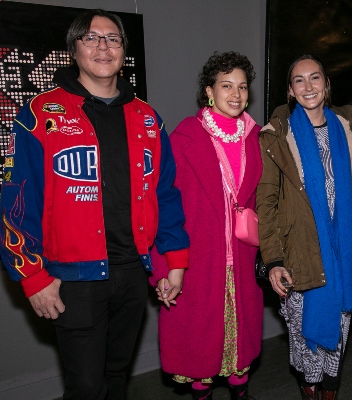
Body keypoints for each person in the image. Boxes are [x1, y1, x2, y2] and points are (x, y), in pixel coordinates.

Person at [0, 9, 190, 400]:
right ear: (74, 49)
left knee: (117, 376)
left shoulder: (148, 118)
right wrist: (32, 276)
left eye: (112, 39)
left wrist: (175, 262)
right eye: (91, 38)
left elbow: (165, 194)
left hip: (132, 273)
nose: (103, 47)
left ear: (123, 51)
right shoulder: (40, 114)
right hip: (73, 280)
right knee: (86, 387)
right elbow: (18, 201)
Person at [257, 54, 352, 400]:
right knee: (304, 343)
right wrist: (273, 259)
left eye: (315, 78)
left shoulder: (346, 127)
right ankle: (310, 389)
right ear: (290, 91)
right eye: (299, 80)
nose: (308, 86)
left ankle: (330, 391)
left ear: (327, 84)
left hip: (340, 253)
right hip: (298, 254)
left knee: (339, 335)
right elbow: (267, 202)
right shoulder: (278, 135)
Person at [148, 51, 263, 400]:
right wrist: (163, 268)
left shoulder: (257, 138)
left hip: (242, 260)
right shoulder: (185, 138)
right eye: (226, 85)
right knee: (200, 351)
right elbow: (162, 207)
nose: (236, 94)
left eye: (242, 86)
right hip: (197, 261)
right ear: (209, 92)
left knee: (240, 349)